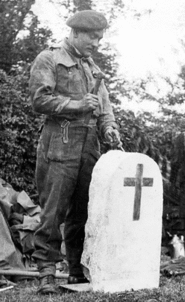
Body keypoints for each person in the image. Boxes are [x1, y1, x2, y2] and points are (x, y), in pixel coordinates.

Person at [28, 10, 121, 294]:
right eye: (92, 38)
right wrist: (78, 104)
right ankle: (46, 274)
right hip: (60, 142)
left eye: (100, 38)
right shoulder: (50, 59)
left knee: (83, 210)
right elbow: (39, 99)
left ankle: (76, 270)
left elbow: (104, 107)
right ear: (76, 33)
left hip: (89, 146)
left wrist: (109, 129)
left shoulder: (93, 67)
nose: (96, 43)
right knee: (53, 211)